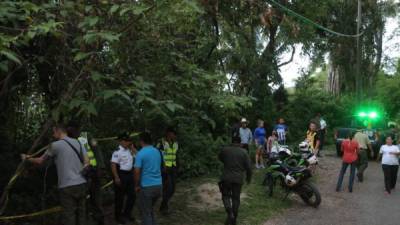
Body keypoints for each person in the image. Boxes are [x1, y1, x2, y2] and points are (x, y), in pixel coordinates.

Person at [21, 123, 89, 225]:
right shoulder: (78, 142)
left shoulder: (55, 145)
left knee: (69, 215)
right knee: (81, 214)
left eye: (54, 132)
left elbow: (40, 161)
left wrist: (27, 158)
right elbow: (87, 161)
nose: (53, 135)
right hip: (82, 183)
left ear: (59, 131)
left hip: (67, 186)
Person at [218, 136, 252, 225]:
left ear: (231, 141)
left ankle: (230, 213)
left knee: (225, 196)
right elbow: (249, 167)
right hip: (238, 179)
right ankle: (233, 219)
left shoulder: (225, 150)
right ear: (240, 143)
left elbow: (220, 158)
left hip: (226, 178)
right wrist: (248, 178)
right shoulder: (244, 152)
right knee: (236, 198)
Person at [134, 132, 163, 225]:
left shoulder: (140, 153)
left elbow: (137, 172)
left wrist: (137, 185)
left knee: (145, 213)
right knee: (150, 210)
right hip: (158, 186)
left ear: (141, 141)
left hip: (147, 187)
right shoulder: (157, 151)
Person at [78, 132, 106, 225]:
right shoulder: (67, 139)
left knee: (96, 198)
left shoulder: (86, 136)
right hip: (80, 174)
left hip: (94, 172)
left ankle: (99, 219)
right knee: (82, 200)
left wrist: (101, 167)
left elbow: (96, 150)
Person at [111, 132, 136, 224]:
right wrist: (116, 177)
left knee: (132, 196)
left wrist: (133, 148)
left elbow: (137, 156)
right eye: (126, 141)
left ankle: (127, 214)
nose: (128, 142)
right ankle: (118, 216)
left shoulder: (129, 150)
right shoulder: (117, 151)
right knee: (119, 197)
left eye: (129, 141)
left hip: (130, 174)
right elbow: (113, 165)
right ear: (121, 141)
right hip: (121, 174)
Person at [158, 128, 179, 215]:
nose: (175, 136)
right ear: (169, 134)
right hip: (165, 168)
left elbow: (176, 155)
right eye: (174, 134)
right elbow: (158, 155)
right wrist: (163, 166)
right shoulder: (161, 143)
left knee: (173, 189)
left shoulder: (176, 143)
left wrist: (178, 166)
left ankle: (163, 205)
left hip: (173, 167)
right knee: (168, 188)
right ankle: (164, 208)